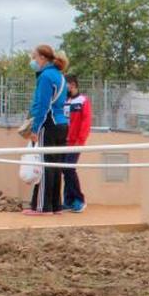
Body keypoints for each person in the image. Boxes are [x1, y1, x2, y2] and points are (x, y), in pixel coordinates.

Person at [23, 45, 69, 216]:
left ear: (42, 58)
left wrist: (35, 129)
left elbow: (43, 106)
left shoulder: (45, 77)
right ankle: (56, 205)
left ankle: (42, 207)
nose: (33, 61)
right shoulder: (60, 76)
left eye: (35, 57)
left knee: (42, 165)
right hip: (62, 124)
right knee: (55, 165)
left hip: (48, 124)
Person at [61, 73, 91, 212]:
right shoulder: (64, 100)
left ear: (72, 84)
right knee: (64, 170)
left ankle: (80, 200)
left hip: (75, 142)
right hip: (62, 142)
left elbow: (86, 122)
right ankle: (68, 200)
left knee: (69, 169)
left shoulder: (83, 100)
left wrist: (80, 140)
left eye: (65, 84)